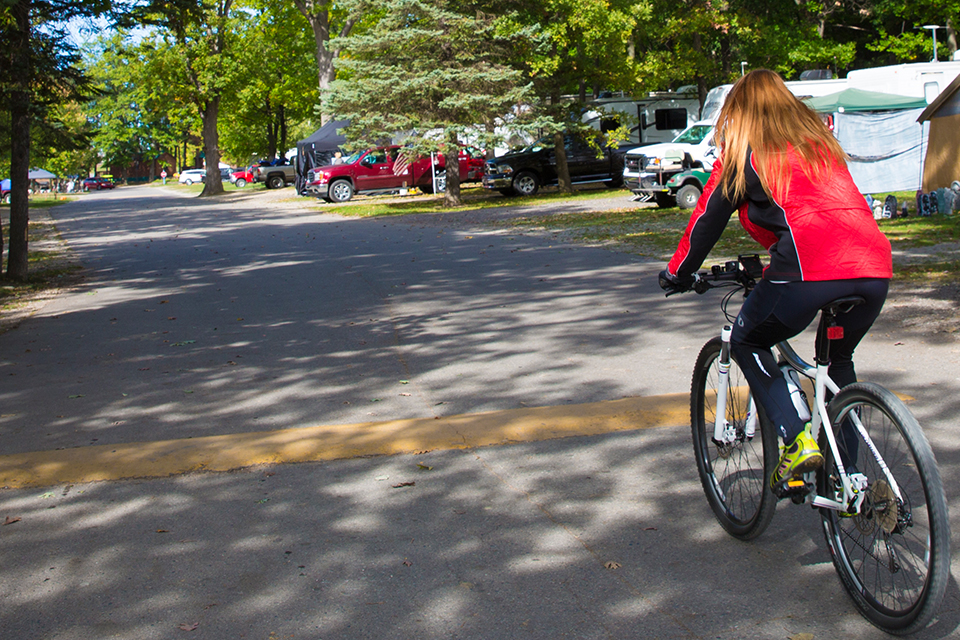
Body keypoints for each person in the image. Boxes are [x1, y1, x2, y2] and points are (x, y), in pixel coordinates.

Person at [659, 69, 892, 490]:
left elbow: (708, 218)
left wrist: (679, 273)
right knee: (838, 362)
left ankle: (797, 438)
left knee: (749, 340)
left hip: (808, 267)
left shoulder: (746, 153)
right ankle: (848, 480)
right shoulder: (822, 147)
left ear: (739, 113)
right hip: (873, 266)